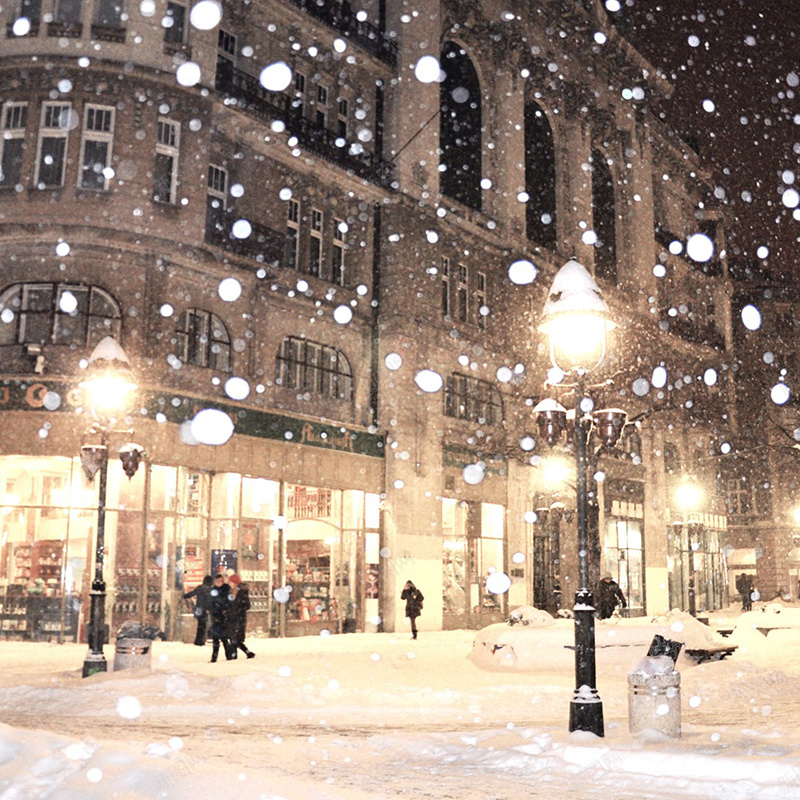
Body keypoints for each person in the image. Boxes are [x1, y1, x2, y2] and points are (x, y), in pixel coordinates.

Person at [225, 573, 255, 659]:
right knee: (233, 637)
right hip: (231, 618)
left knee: (235, 638)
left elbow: (247, 605)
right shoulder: (230, 592)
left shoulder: (242, 593)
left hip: (239, 618)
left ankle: (236, 655)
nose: (229, 584)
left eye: (230, 582)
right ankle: (247, 653)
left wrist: (238, 610)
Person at [208, 573, 232, 662]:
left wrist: (223, 609)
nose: (217, 583)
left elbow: (226, 602)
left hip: (222, 616)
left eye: (219, 581)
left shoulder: (225, 589)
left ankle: (227, 656)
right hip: (216, 616)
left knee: (223, 637)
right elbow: (211, 602)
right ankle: (216, 657)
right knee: (217, 637)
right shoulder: (214, 590)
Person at [183, 575, 213, 646]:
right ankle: (201, 641)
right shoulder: (210, 589)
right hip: (205, 609)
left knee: (200, 625)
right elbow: (209, 600)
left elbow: (192, 593)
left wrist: (184, 596)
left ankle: (198, 640)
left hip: (198, 609)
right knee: (203, 625)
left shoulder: (200, 588)